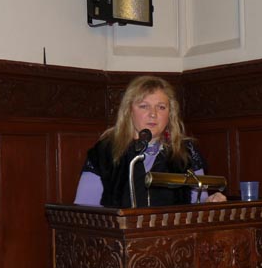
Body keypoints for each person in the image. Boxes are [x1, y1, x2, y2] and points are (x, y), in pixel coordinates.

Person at [74, 75, 227, 207]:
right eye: (144, 106)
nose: (153, 114)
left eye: (161, 107)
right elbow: (85, 210)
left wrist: (210, 202)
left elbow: (198, 204)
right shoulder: (105, 151)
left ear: (170, 114)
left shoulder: (185, 152)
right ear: (129, 111)